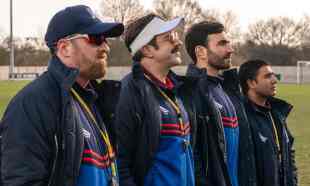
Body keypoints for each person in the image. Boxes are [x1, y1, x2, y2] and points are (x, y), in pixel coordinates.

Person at [0, 5, 124, 186]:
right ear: (65, 48)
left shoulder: (95, 99)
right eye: (96, 38)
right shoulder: (32, 103)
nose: (106, 46)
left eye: (105, 39)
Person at [115, 13, 197, 186]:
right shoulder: (129, 91)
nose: (178, 42)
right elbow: (120, 165)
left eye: (175, 36)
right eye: (169, 38)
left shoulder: (176, 90)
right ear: (147, 49)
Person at [184, 21, 256, 186]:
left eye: (229, 43)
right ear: (201, 51)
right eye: (222, 44)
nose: (230, 49)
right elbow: (193, 157)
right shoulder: (191, 93)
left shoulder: (226, 88)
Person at [239, 59, 298, 186]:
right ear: (251, 83)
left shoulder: (277, 113)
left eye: (273, 75)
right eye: (267, 76)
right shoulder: (240, 116)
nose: (274, 80)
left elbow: (289, 153)